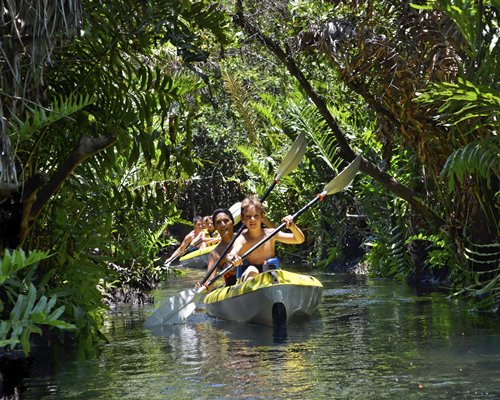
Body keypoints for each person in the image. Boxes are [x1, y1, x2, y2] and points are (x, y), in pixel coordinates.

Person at [227, 195, 305, 282]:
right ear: (242, 219)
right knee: (252, 270)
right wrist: (232, 259)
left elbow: (299, 240)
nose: (252, 219)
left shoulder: (271, 233)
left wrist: (292, 226)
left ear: (262, 216)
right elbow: (232, 254)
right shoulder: (241, 238)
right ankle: (252, 286)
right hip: (248, 274)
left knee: (270, 271)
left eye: (256, 215)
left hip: (269, 272)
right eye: (248, 216)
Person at [195, 208, 236, 289]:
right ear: (215, 227)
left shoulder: (245, 237)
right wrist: (203, 285)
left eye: (226, 221)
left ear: (232, 222)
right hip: (232, 289)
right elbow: (210, 280)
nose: (223, 224)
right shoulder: (215, 254)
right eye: (218, 222)